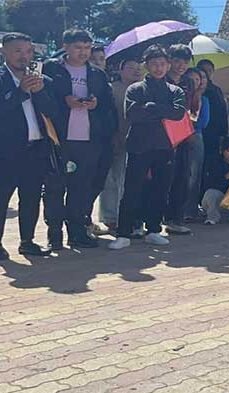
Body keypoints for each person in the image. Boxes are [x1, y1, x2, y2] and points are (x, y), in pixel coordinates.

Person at [43, 28, 116, 249]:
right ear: (65, 47)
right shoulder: (51, 69)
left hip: (88, 140)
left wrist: (95, 105)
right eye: (78, 47)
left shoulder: (97, 74)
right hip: (59, 139)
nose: (83, 52)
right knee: (55, 188)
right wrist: (64, 101)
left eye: (87, 48)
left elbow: (108, 106)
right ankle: (54, 234)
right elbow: (41, 100)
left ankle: (77, 232)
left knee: (82, 188)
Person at [108, 45, 186, 250]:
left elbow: (178, 113)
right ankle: (124, 232)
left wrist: (151, 107)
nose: (159, 68)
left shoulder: (174, 90)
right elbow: (132, 114)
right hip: (139, 145)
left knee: (160, 189)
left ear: (168, 65)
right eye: (154, 64)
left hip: (165, 146)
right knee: (131, 189)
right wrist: (161, 111)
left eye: (162, 64)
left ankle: (153, 229)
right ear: (146, 66)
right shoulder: (135, 88)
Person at [0, 33, 59, 258]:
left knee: (31, 197)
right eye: (17, 51)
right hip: (6, 152)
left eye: (28, 51)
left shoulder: (41, 80)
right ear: (4, 52)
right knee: (2, 198)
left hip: (36, 150)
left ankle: (27, 241)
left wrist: (40, 92)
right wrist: (21, 92)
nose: (24, 56)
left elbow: (53, 113)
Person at [99, 59, 142, 232]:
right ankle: (110, 216)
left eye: (138, 68)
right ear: (121, 70)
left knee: (128, 180)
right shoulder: (111, 88)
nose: (136, 71)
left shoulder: (143, 89)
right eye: (131, 68)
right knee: (110, 179)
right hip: (113, 138)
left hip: (137, 140)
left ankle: (128, 216)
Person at [161, 44, 195, 235]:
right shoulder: (160, 80)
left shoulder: (189, 82)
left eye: (185, 61)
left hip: (183, 134)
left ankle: (176, 218)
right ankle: (155, 218)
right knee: (161, 178)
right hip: (162, 135)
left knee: (182, 176)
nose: (181, 65)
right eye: (177, 60)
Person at [182, 67, 210, 221]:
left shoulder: (203, 100)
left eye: (197, 79)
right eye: (191, 79)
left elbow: (203, 122)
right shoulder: (179, 96)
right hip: (178, 138)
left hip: (196, 137)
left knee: (194, 175)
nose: (194, 82)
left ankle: (190, 209)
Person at [196, 59, 229, 169]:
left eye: (209, 70)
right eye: (203, 70)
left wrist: (224, 134)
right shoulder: (193, 90)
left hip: (214, 134)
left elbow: (223, 112)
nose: (206, 73)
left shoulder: (216, 90)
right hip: (198, 133)